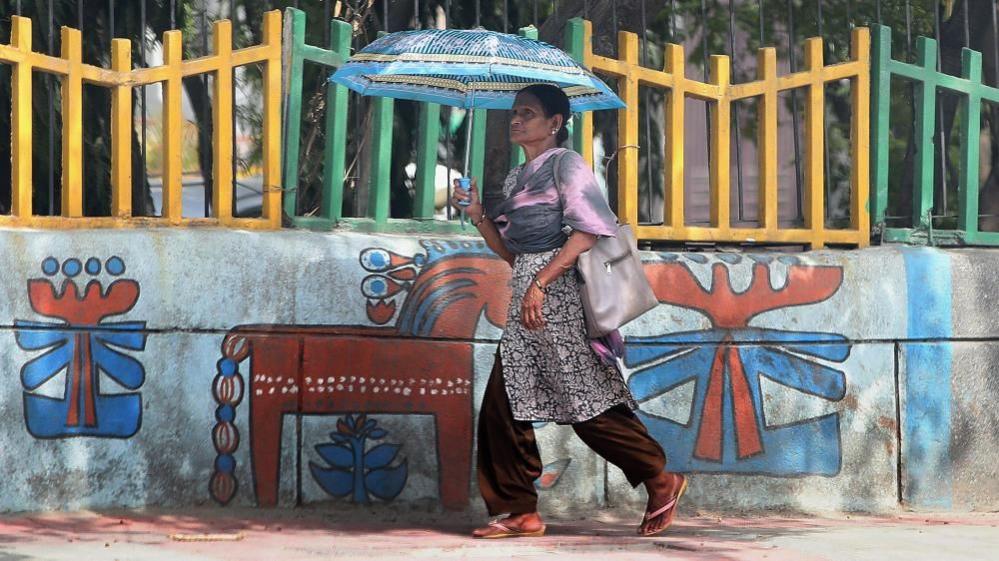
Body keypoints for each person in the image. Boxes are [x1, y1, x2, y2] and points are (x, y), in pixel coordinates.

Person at [450, 84, 687, 539]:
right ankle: (519, 509)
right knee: (504, 405)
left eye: (528, 113)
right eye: (514, 113)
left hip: (556, 297)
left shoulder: (567, 165)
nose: (516, 120)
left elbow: (589, 230)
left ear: (555, 123)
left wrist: (540, 283)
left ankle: (660, 478)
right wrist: (479, 213)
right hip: (528, 296)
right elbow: (513, 253)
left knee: (586, 403)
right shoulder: (516, 180)